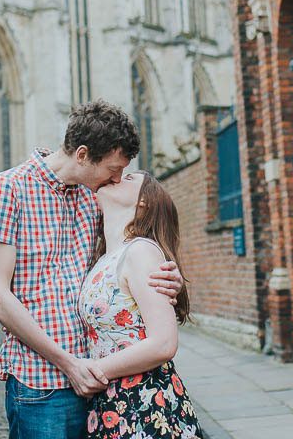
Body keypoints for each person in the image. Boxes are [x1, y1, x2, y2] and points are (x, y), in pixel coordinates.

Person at [0, 100, 184, 439]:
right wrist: (68, 363)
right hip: (42, 384)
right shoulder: (8, 189)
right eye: (113, 169)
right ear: (83, 154)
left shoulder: (95, 198)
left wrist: (168, 278)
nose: (116, 179)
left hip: (101, 386)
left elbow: (127, 255)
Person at [78, 170, 204, 439]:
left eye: (129, 178)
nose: (116, 176)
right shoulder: (104, 258)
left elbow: (164, 344)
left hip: (144, 402)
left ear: (144, 202)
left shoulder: (141, 251)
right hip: (110, 400)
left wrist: (94, 371)